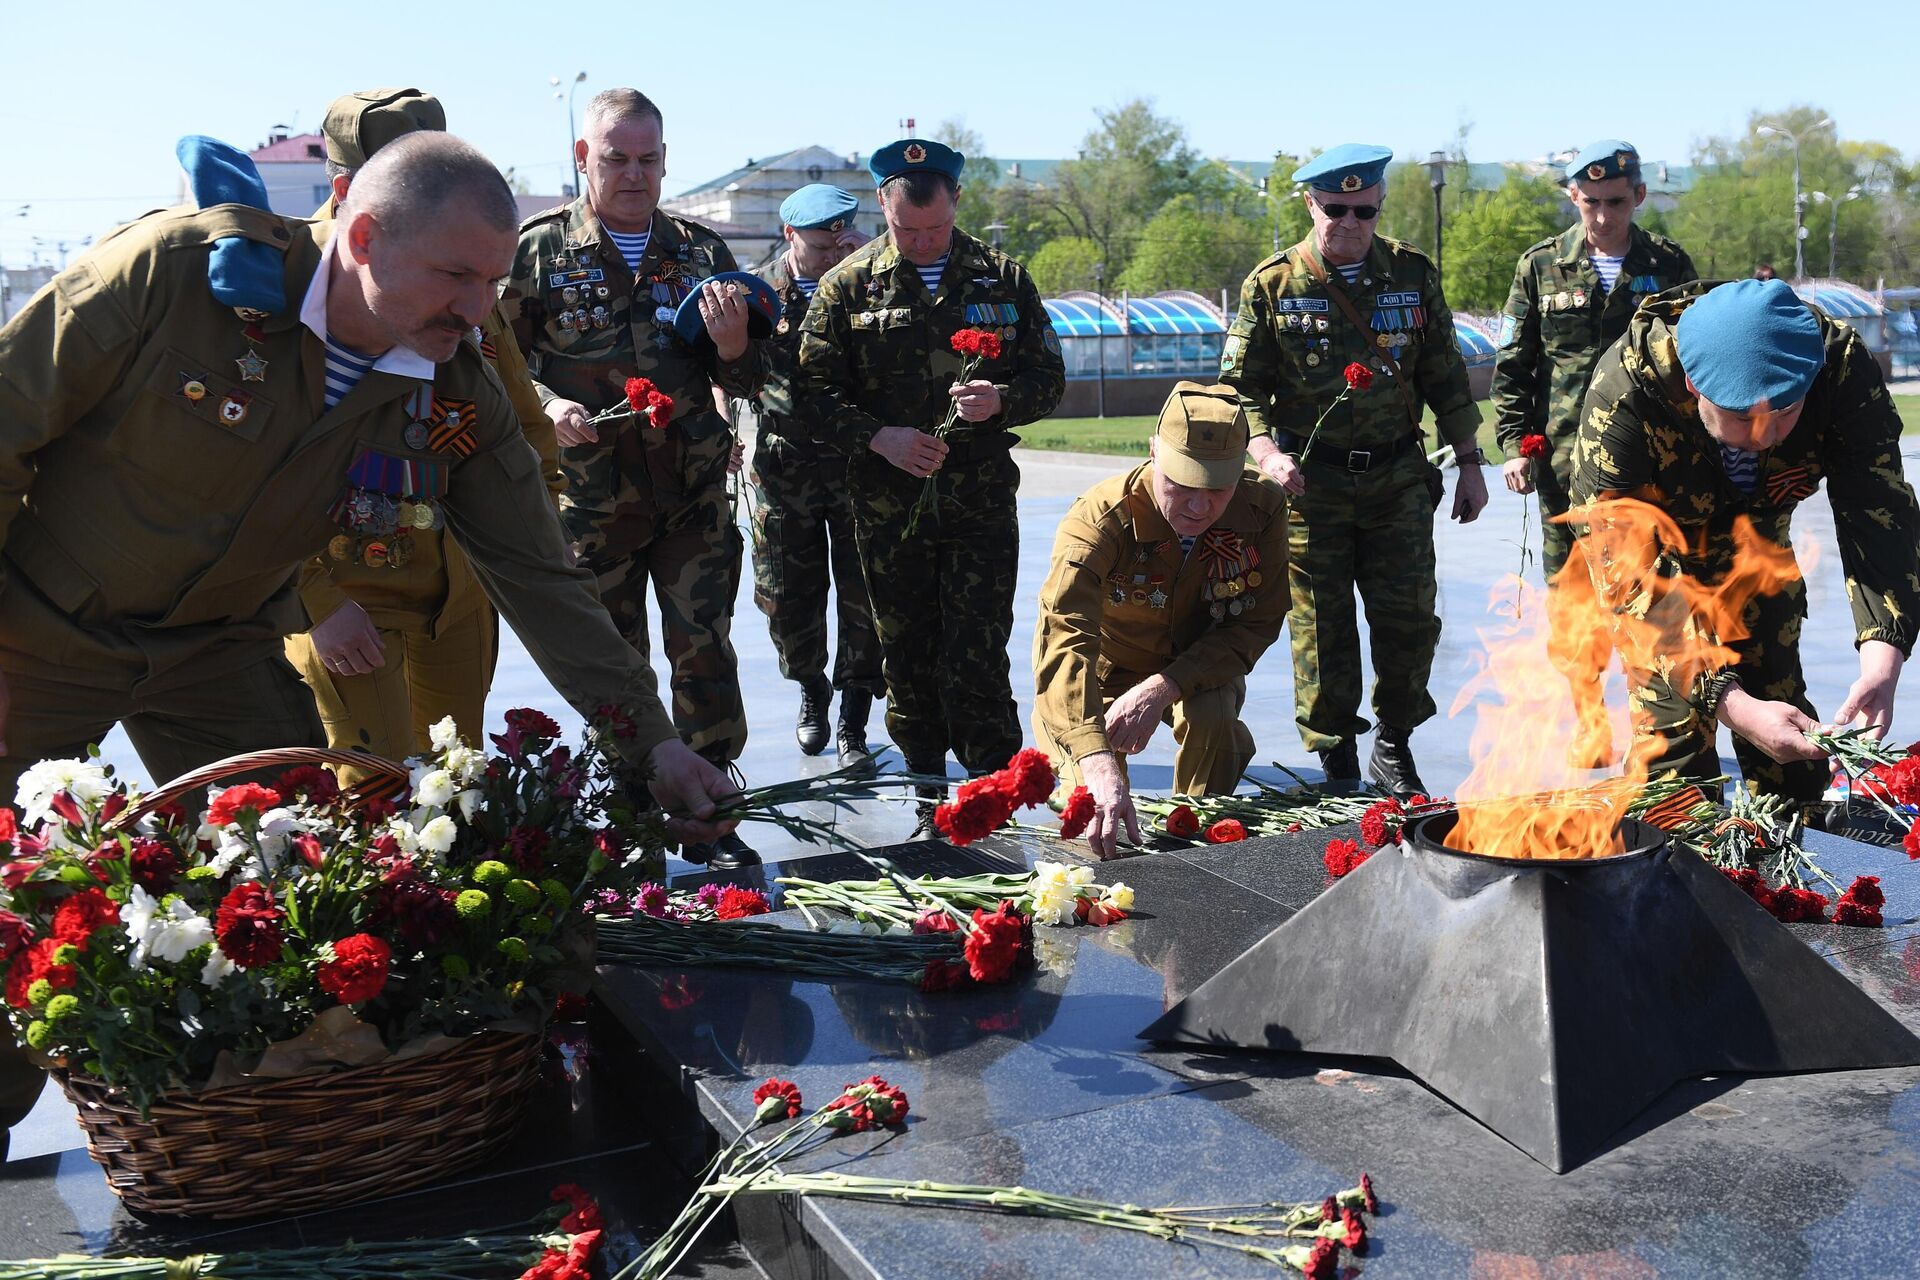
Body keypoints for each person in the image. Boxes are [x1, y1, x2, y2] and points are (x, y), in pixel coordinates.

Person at [0, 131, 739, 1153]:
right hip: (41, 626)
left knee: (302, 880)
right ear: (360, 236)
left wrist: (649, 742)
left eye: (490, 278)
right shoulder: (173, 280)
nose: (478, 306)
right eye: (453, 274)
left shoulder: (452, 386)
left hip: (218, 646)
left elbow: (541, 573)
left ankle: (271, 1131)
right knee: (14, 900)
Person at [501, 88, 764, 868]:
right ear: (585, 158)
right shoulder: (538, 252)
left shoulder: (699, 252)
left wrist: (738, 342)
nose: (634, 173)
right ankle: (633, 825)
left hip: (690, 498)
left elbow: (747, 378)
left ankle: (713, 814)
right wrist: (547, 405)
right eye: (617, 158)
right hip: (591, 501)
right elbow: (498, 362)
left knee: (705, 654)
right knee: (616, 665)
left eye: (649, 159)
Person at [285, 88, 564, 779]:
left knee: (455, 784)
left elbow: (521, 418)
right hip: (348, 591)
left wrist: (538, 519)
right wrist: (316, 602)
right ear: (352, 192)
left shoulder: (463, 279)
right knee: (367, 789)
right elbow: (237, 484)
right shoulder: (290, 283)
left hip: (455, 588)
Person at [796, 138, 1065, 837]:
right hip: (890, 507)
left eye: (934, 230)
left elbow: (1049, 379)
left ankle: (993, 799)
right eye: (905, 229)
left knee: (977, 649)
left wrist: (1001, 400)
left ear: (956, 206)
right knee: (906, 652)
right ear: (883, 205)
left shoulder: (1001, 278)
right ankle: (926, 797)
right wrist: (877, 435)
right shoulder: (848, 286)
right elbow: (811, 393)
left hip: (977, 499)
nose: (920, 243)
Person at [1570, 277, 1920, 805]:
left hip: (1760, 560)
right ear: (1692, 384)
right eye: (1743, 418)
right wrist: (1729, 702)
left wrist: (1882, 657)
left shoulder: (1840, 367)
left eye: (1786, 413)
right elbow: (1625, 573)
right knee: (1674, 765)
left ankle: (1787, 878)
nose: (1766, 437)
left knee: (1794, 758)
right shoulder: (1624, 394)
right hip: (1662, 577)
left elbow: (1879, 515)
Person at [1220, 143, 1487, 799]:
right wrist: (1266, 453)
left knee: (1410, 622)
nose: (1349, 223)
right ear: (1310, 203)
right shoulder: (1273, 285)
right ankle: (1336, 759)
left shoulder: (1412, 276)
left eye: (1363, 211)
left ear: (1379, 206)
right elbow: (1240, 390)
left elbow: (1445, 377)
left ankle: (1393, 744)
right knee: (1322, 631)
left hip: (1397, 480)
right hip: (1312, 486)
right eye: (1335, 208)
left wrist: (1472, 463)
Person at [1490, 139, 1696, 769]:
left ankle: (1650, 722)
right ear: (1573, 197)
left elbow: (1693, 361)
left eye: (1615, 202)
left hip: (1649, 468)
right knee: (1574, 605)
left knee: (1649, 599)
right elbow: (1513, 366)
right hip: (1565, 471)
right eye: (1590, 201)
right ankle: (1589, 722)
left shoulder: (1668, 263)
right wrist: (1512, 445)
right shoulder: (1540, 266)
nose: (1603, 216)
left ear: (1637, 197)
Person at [1032, 382, 1289, 858]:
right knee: (1089, 809)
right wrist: (1095, 757)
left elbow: (1256, 624)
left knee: (1213, 727)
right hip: (1102, 673)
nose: (1199, 506)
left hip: (1197, 666)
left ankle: (1193, 842)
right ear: (1153, 453)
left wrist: (1166, 685)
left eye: (1217, 489)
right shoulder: (1098, 520)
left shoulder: (1262, 508)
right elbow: (1064, 641)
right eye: (1183, 484)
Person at [744, 184, 881, 767]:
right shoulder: (755, 293)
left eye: (842, 239)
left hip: (858, 467)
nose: (833, 252)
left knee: (864, 596)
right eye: (822, 242)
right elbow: (728, 368)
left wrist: (865, 271)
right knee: (789, 596)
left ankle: (854, 712)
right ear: (790, 236)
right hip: (785, 470)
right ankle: (811, 690)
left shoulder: (870, 284)